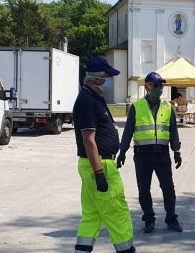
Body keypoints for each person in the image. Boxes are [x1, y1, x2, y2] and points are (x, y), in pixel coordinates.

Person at [72, 56, 135, 253]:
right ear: (98, 78)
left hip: (94, 165)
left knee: (92, 214)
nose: (111, 80)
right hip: (101, 166)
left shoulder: (93, 97)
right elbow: (88, 140)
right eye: (109, 76)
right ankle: (126, 250)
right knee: (118, 213)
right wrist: (99, 173)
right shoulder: (87, 100)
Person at [116, 71, 183, 234]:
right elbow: (128, 131)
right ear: (147, 87)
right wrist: (122, 151)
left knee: (168, 188)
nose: (160, 89)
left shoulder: (168, 108)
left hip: (162, 154)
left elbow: (173, 131)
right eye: (157, 85)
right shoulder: (136, 107)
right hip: (142, 155)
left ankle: (171, 218)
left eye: (161, 85)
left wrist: (176, 151)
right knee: (144, 189)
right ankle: (149, 219)